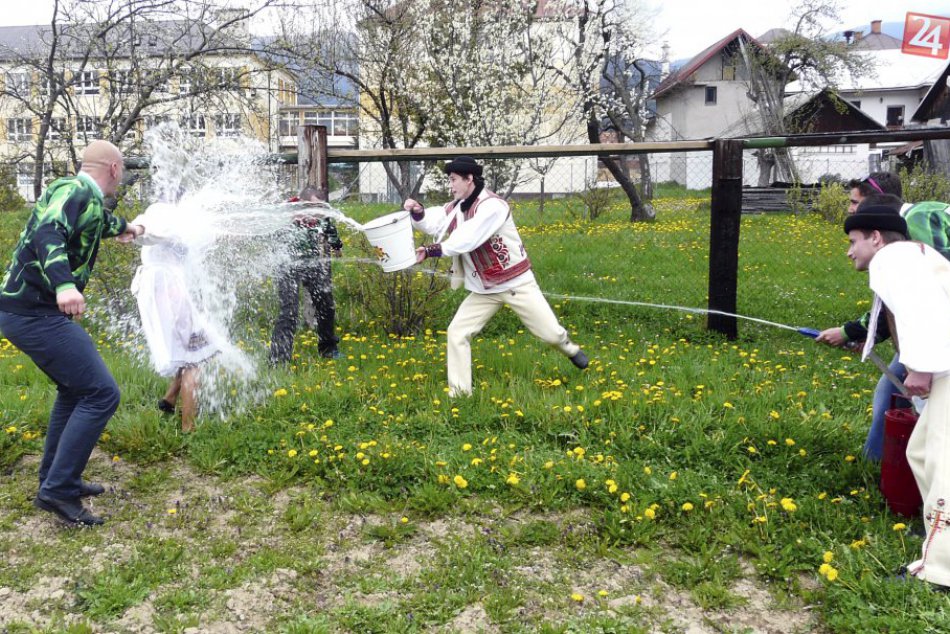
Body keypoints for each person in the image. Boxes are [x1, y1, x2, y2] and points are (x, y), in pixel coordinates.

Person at [0, 140, 143, 526]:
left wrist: (128, 228)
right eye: (122, 170)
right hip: (32, 313)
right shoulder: (74, 190)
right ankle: (58, 491)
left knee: (76, 390)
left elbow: (96, 221)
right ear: (114, 169)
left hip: (28, 313)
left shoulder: (84, 197)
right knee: (102, 393)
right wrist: (65, 285)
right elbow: (49, 232)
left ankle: (55, 479)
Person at [403, 156, 588, 398]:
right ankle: (460, 394)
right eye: (450, 180)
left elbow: (469, 237)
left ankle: (569, 348)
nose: (451, 185)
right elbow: (436, 221)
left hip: (516, 283)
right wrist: (419, 212)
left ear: (469, 179)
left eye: (454, 180)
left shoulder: (493, 206)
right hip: (484, 290)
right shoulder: (457, 207)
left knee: (551, 334)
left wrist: (432, 250)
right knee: (457, 332)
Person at [843, 202, 950, 589]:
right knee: (919, 451)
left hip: (944, 365)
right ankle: (936, 532)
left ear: (876, 237)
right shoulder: (914, 254)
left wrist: (920, 366)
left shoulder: (892, 259)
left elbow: (926, 310)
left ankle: (940, 571)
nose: (849, 251)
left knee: (941, 461)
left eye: (853, 241)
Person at [816, 171, 950, 459]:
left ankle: (880, 463)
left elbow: (929, 296)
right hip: (935, 341)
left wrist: (923, 364)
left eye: (855, 203)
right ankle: (885, 463)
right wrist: (863, 335)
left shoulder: (911, 231)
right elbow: (900, 304)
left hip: (940, 342)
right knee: (896, 390)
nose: (851, 210)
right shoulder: (897, 251)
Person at [130, 202, 218, 433]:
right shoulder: (167, 214)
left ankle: (169, 399)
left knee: (193, 349)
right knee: (194, 360)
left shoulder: (180, 221)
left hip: (158, 289)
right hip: (169, 290)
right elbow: (151, 229)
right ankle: (188, 427)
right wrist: (136, 229)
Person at [270, 186, 343, 364]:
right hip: (286, 266)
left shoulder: (319, 215)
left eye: (320, 208)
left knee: (326, 304)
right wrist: (292, 221)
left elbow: (329, 227)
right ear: (301, 203)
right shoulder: (285, 213)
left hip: (311, 263)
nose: (316, 213)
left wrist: (336, 245)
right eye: (313, 207)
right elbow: (270, 235)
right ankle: (279, 358)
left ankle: (328, 348)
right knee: (289, 311)